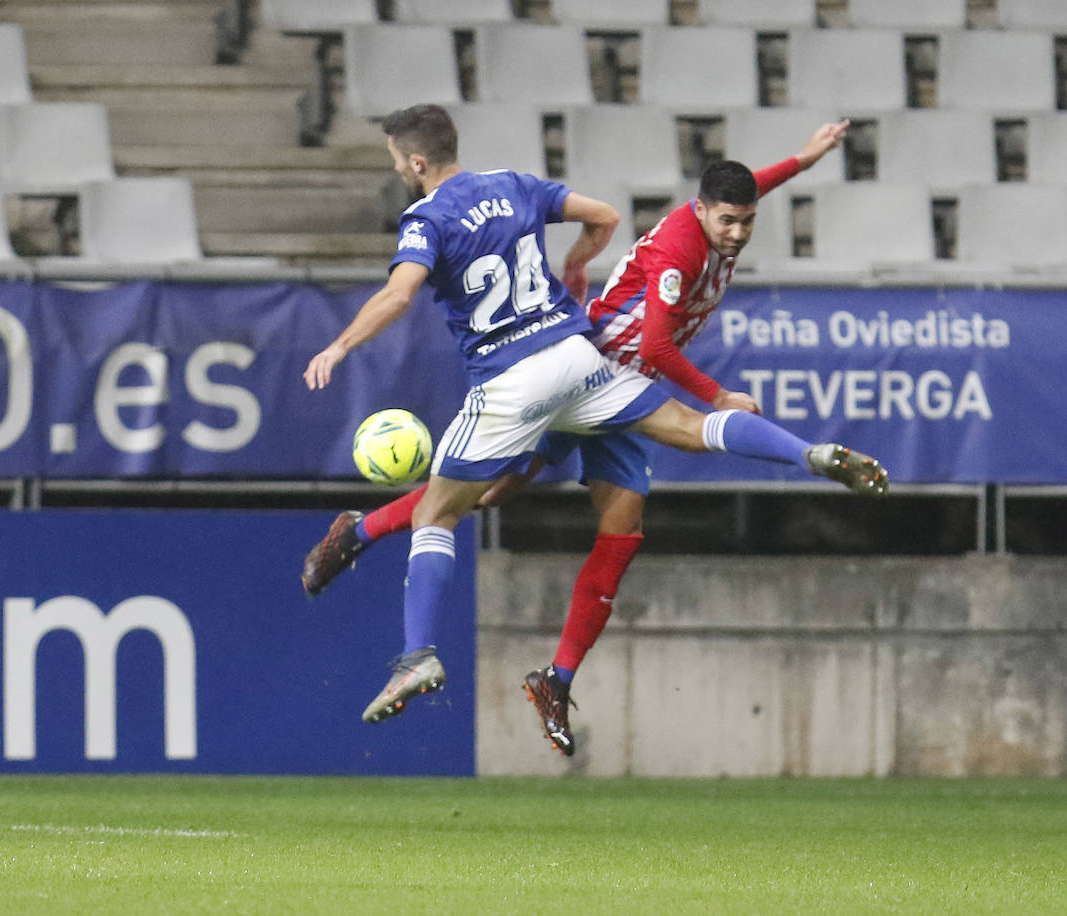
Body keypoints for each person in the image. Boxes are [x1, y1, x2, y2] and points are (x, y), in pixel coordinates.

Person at [303, 104, 887, 727]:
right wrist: (578, 261)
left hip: (518, 378)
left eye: (397, 162)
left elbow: (399, 292)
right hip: (586, 358)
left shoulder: (425, 217)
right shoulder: (514, 184)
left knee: (442, 511)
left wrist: (340, 345)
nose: (399, 170)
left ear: (416, 163)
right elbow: (607, 220)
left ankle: (415, 646)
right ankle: (808, 454)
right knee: (658, 456)